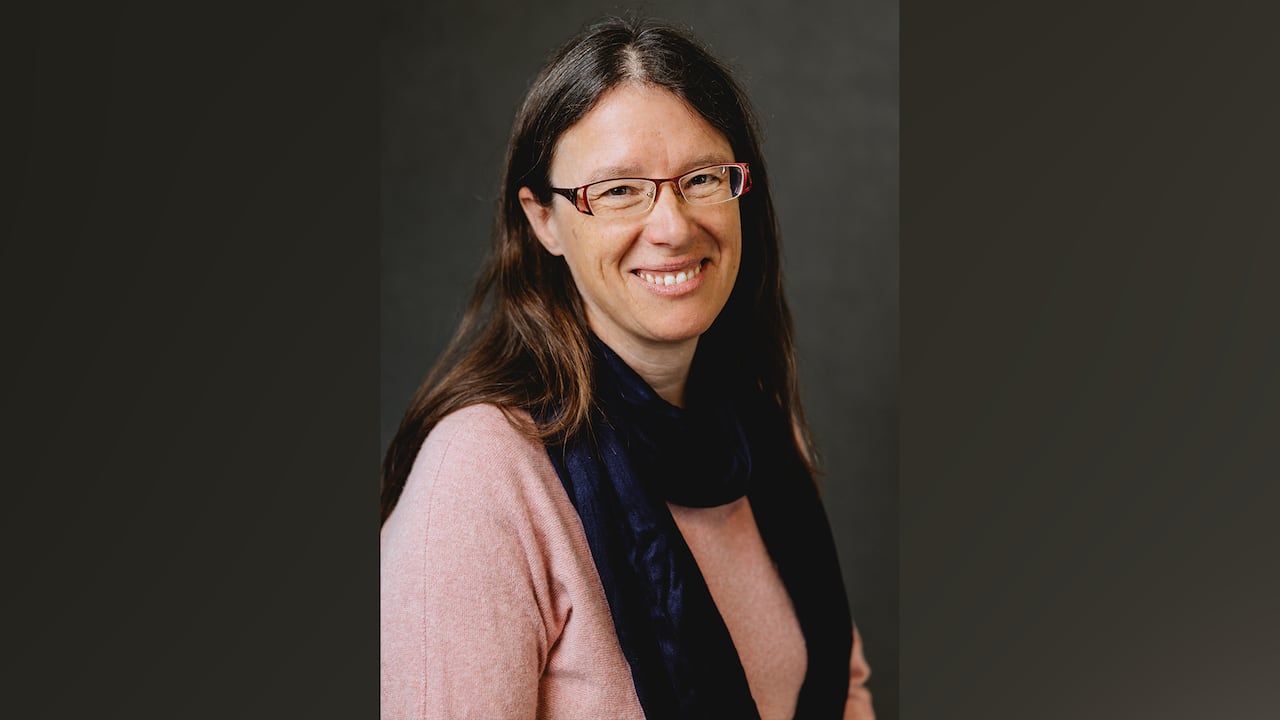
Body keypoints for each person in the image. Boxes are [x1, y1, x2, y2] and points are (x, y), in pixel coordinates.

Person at [380, 16, 874, 720]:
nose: (672, 227)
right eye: (617, 190)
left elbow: (842, 690)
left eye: (701, 178)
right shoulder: (482, 475)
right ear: (543, 220)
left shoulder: (759, 436)